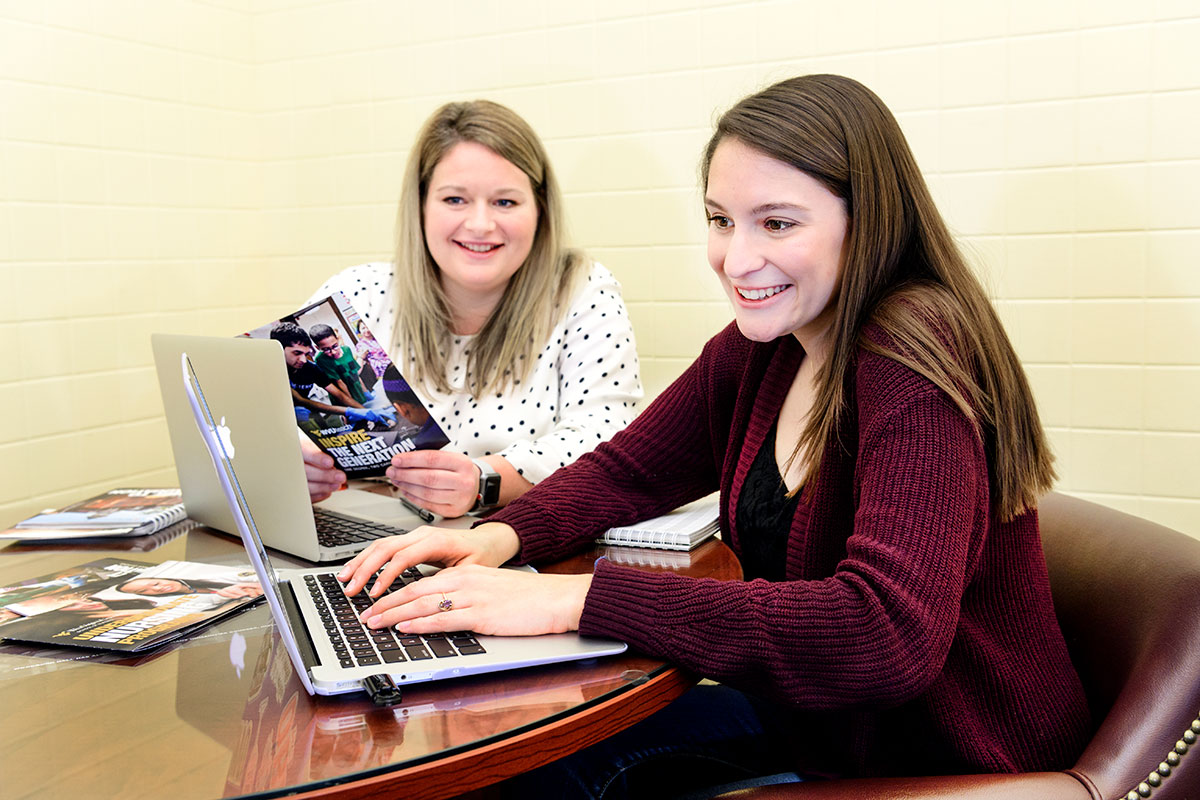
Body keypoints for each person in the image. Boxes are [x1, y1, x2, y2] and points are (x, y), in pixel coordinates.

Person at [335, 75, 1092, 795]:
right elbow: (629, 470)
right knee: (527, 757)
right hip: (818, 729)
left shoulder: (913, 353)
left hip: (945, 766)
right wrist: (496, 539)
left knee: (548, 773)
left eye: (778, 223)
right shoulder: (769, 345)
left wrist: (576, 600)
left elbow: (882, 636)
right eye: (722, 220)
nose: (736, 259)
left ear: (869, 221)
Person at [302, 100, 643, 517]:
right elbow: (261, 420)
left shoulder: (582, 290)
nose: (480, 224)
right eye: (455, 199)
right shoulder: (358, 292)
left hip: (511, 534)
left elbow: (606, 437)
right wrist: (295, 461)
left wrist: (483, 481)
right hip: (365, 529)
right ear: (421, 205)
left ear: (540, 209)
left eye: (505, 203)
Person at [268, 321, 389, 430]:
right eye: (297, 353)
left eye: (306, 354)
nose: (303, 360)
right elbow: (301, 401)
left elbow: (338, 393)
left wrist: (366, 411)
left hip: (309, 410)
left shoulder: (310, 368)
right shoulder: (272, 371)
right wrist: (350, 411)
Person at [310, 323, 371, 404]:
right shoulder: (321, 359)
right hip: (344, 397)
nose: (333, 352)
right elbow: (340, 382)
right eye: (326, 349)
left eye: (335, 346)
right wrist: (352, 403)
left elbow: (355, 374)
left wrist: (366, 392)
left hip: (358, 392)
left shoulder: (346, 350)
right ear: (317, 347)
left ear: (337, 339)